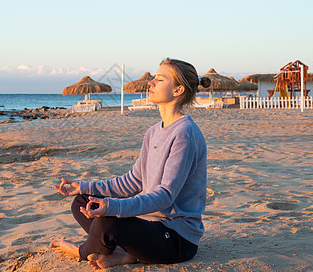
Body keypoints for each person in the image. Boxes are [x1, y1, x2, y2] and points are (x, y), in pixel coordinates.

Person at [50, 58, 212, 270]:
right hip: (147, 227)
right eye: (153, 78)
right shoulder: (153, 131)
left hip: (176, 238)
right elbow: (132, 181)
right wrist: (85, 187)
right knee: (82, 202)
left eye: (160, 79)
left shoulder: (185, 133)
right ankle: (126, 255)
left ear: (178, 89)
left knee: (107, 221)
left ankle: (83, 251)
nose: (151, 83)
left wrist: (113, 207)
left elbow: (165, 196)